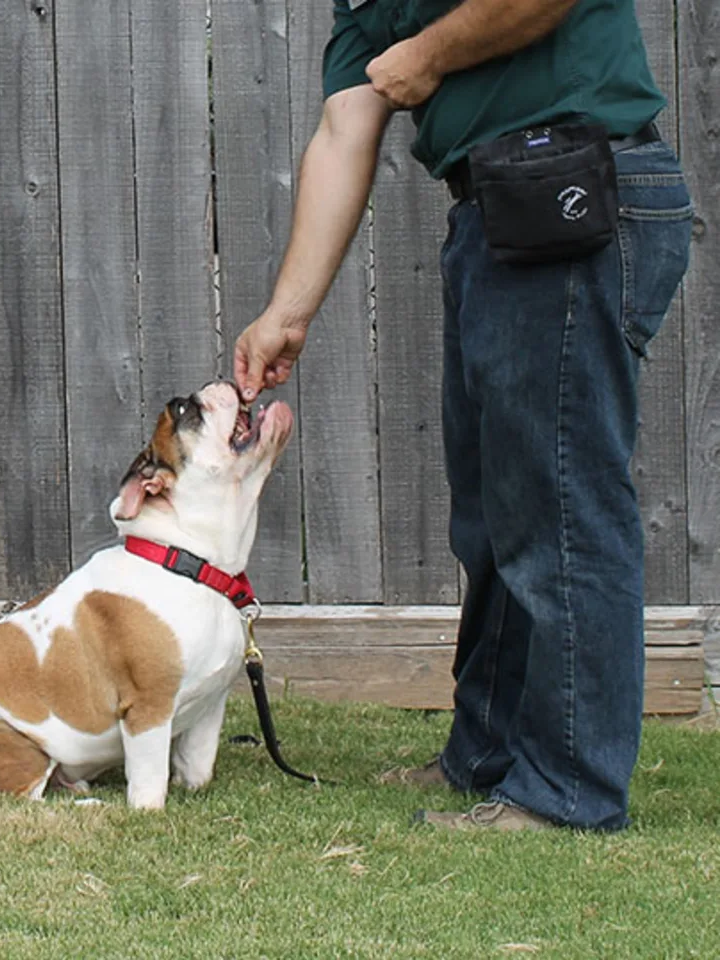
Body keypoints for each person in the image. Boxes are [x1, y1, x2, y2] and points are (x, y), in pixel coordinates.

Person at [233, 0, 691, 831]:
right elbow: (347, 124)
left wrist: (433, 53)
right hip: (500, 209)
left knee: (560, 508)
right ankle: (486, 755)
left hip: (577, 188)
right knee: (494, 516)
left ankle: (569, 794)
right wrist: (286, 313)